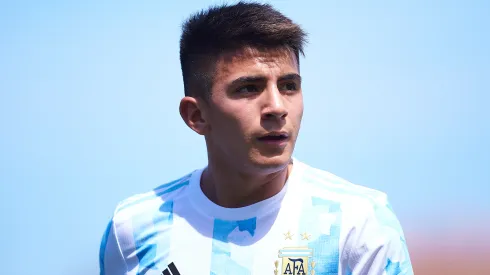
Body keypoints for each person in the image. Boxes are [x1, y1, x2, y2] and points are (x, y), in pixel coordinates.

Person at [99, 2, 413, 274]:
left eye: (289, 86)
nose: (277, 107)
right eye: (249, 88)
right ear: (196, 117)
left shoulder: (359, 224)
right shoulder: (133, 228)